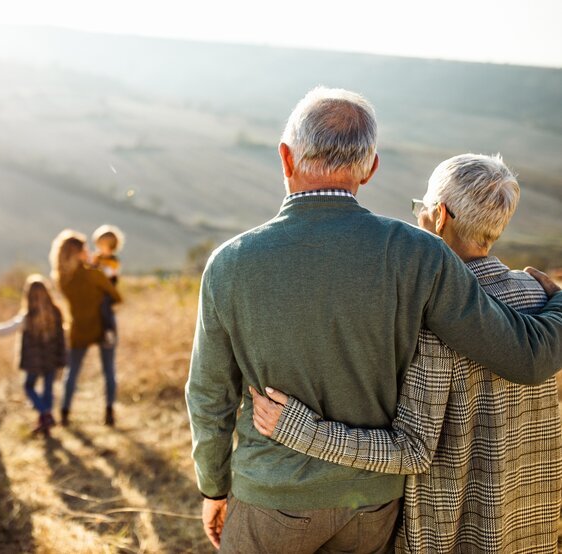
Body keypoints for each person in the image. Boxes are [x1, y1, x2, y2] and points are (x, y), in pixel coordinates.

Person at [185, 87, 562, 553]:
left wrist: (213, 487)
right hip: (375, 505)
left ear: (285, 157)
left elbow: (209, 396)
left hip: (272, 498)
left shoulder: (230, 263)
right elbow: (520, 354)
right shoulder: (418, 253)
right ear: (371, 167)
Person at [50, 229, 122, 427]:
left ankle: (64, 412)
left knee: (71, 371)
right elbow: (116, 296)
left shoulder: (62, 279)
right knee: (109, 370)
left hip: (79, 327)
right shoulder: (93, 274)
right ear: (79, 252)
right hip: (103, 325)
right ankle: (109, 412)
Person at [0, 275, 66, 437]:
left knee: (28, 386)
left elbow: (7, 329)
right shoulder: (56, 312)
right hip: (52, 358)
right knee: (47, 390)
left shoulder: (27, 316)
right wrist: (62, 358)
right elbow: (62, 338)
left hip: (34, 361)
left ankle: (45, 415)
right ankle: (46, 418)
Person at [91, 224, 125, 348]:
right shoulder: (97, 258)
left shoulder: (113, 261)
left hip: (108, 291)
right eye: (98, 245)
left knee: (105, 308)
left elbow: (110, 274)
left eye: (101, 245)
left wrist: (99, 269)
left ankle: (109, 331)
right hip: (97, 290)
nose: (99, 248)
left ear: (111, 247)